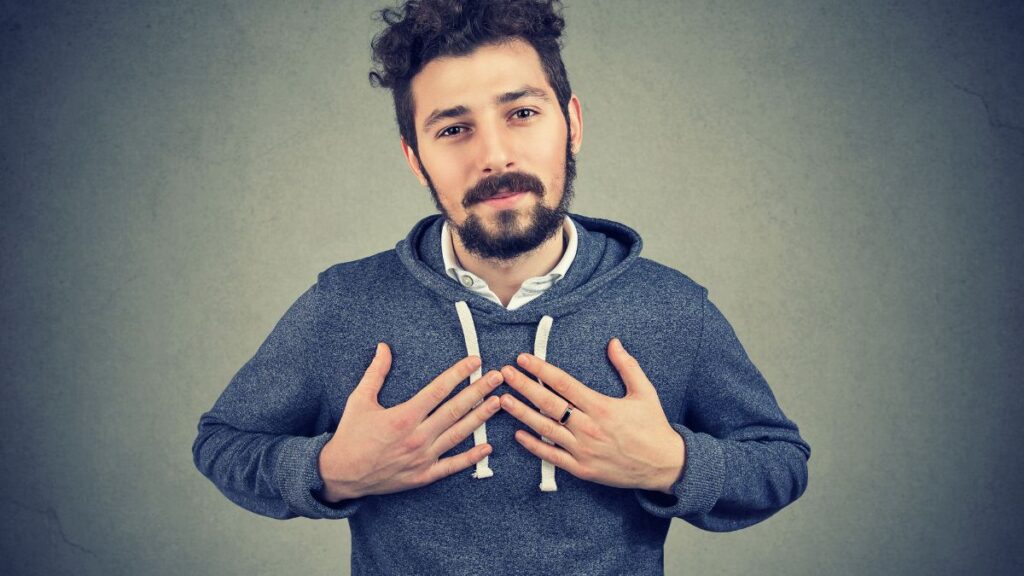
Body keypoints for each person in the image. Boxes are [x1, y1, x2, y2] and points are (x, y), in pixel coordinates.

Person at [192, 1, 811, 574]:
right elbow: (223, 444)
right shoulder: (345, 304)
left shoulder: (671, 308)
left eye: (521, 114)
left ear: (570, 121)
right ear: (415, 157)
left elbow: (779, 463)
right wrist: (330, 471)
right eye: (453, 129)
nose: (495, 154)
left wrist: (675, 464)